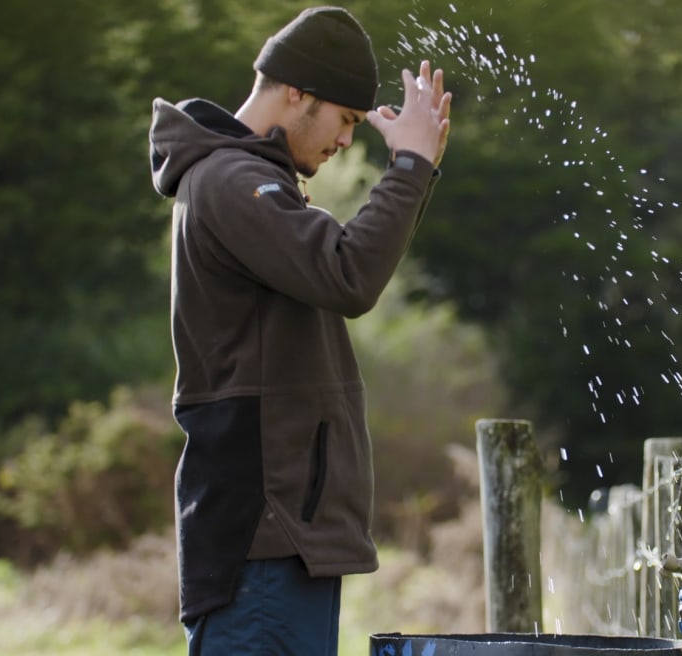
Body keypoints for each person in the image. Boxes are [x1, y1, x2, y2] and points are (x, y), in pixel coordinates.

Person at [148, 6, 451, 655]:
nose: (347, 141)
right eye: (344, 118)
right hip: (261, 542)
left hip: (279, 539)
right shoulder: (232, 183)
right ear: (296, 93)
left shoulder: (251, 183)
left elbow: (343, 271)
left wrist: (414, 172)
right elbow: (347, 275)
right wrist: (410, 167)